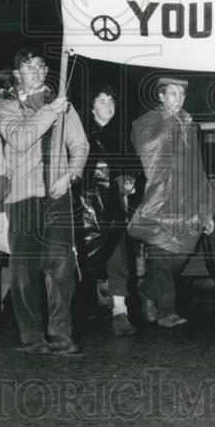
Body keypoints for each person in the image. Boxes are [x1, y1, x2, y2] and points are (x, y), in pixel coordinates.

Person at [0, 49, 89, 355]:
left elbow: (80, 145)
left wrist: (71, 176)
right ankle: (31, 335)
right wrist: (51, 112)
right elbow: (20, 139)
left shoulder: (61, 104)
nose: (35, 70)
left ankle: (61, 332)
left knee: (61, 266)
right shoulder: (7, 106)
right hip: (23, 197)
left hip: (57, 194)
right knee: (24, 270)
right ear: (17, 74)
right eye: (27, 66)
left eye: (39, 65)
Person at [128, 77, 215, 329]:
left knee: (180, 253)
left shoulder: (190, 126)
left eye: (181, 94)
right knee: (160, 253)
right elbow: (147, 151)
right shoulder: (146, 123)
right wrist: (171, 127)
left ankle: (147, 290)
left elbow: (197, 167)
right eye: (172, 93)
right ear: (161, 96)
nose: (178, 99)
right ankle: (166, 312)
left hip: (185, 199)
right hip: (158, 197)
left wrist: (205, 208)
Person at [81, 85, 139, 336]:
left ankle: (120, 311)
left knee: (118, 256)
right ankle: (86, 304)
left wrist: (131, 180)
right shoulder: (80, 131)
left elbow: (134, 168)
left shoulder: (121, 135)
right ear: (92, 106)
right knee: (85, 259)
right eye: (101, 100)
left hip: (114, 205)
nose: (107, 104)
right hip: (84, 206)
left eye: (111, 100)